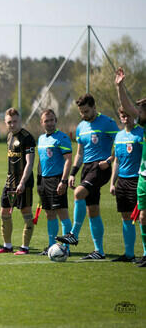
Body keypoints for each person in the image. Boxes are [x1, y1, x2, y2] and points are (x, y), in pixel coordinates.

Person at [56, 94, 119, 260]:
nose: (83, 115)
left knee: (78, 193)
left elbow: (120, 144)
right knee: (93, 211)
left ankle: (73, 234)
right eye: (81, 112)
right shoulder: (80, 127)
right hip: (86, 168)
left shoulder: (108, 122)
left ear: (94, 107)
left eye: (86, 111)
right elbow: (80, 153)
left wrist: (109, 160)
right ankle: (99, 251)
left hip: (100, 167)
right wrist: (72, 173)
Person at [114, 67, 146, 267]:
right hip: (143, 177)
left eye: (140, 111)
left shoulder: (140, 131)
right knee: (142, 217)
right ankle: (142, 254)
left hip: (138, 177)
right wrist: (120, 86)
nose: (137, 114)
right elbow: (126, 106)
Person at [0, 108, 36, 255]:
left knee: (26, 212)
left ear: (20, 120)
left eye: (15, 121)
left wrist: (23, 182)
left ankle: (25, 247)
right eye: (9, 122)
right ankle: (7, 246)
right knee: (4, 212)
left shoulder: (27, 137)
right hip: (9, 181)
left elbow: (30, 163)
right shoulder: (9, 136)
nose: (12, 125)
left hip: (24, 182)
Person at [36, 109, 72, 255]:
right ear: (42, 123)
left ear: (55, 120)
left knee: (62, 213)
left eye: (52, 120)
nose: (49, 123)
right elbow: (41, 160)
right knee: (49, 214)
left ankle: (66, 248)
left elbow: (68, 160)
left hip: (57, 179)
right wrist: (39, 182)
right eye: (46, 121)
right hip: (44, 181)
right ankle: (52, 246)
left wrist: (63, 181)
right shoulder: (41, 139)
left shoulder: (62, 138)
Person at [109, 106, 143, 262]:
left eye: (128, 115)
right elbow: (116, 161)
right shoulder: (119, 136)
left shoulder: (141, 132)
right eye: (122, 115)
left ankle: (145, 254)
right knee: (125, 217)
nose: (125, 118)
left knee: (142, 216)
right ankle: (129, 254)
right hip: (122, 181)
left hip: (137, 179)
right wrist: (112, 183)